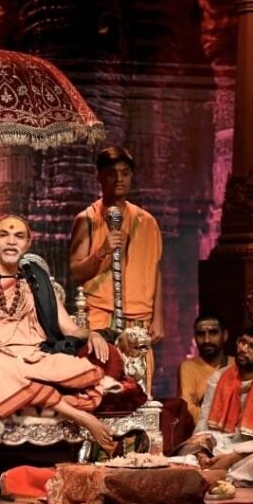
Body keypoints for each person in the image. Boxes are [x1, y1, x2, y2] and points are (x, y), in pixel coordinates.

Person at [0, 214, 117, 451]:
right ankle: (82, 417)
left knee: (82, 371)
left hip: (34, 354)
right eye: (4, 235)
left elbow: (70, 328)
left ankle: (39, 396)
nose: (12, 241)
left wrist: (93, 334)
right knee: (3, 370)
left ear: (28, 243)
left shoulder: (35, 280)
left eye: (19, 236)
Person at [69, 146, 164, 393]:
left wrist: (158, 318)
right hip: (100, 316)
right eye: (112, 173)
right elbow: (76, 272)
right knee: (101, 389)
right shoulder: (87, 219)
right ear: (99, 177)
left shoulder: (147, 221)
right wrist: (102, 250)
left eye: (125, 173)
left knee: (139, 392)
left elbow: (154, 269)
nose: (119, 179)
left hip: (139, 319)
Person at [177, 322, 253, 485]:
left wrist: (234, 455)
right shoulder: (219, 378)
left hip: (252, 451)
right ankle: (220, 474)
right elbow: (204, 423)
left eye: (252, 346)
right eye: (243, 342)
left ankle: (221, 475)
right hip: (219, 448)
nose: (243, 349)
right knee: (187, 452)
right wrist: (202, 453)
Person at [178, 313, 230, 426]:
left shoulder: (235, 365)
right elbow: (188, 408)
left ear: (225, 335)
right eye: (201, 334)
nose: (206, 340)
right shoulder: (188, 367)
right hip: (203, 430)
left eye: (213, 333)